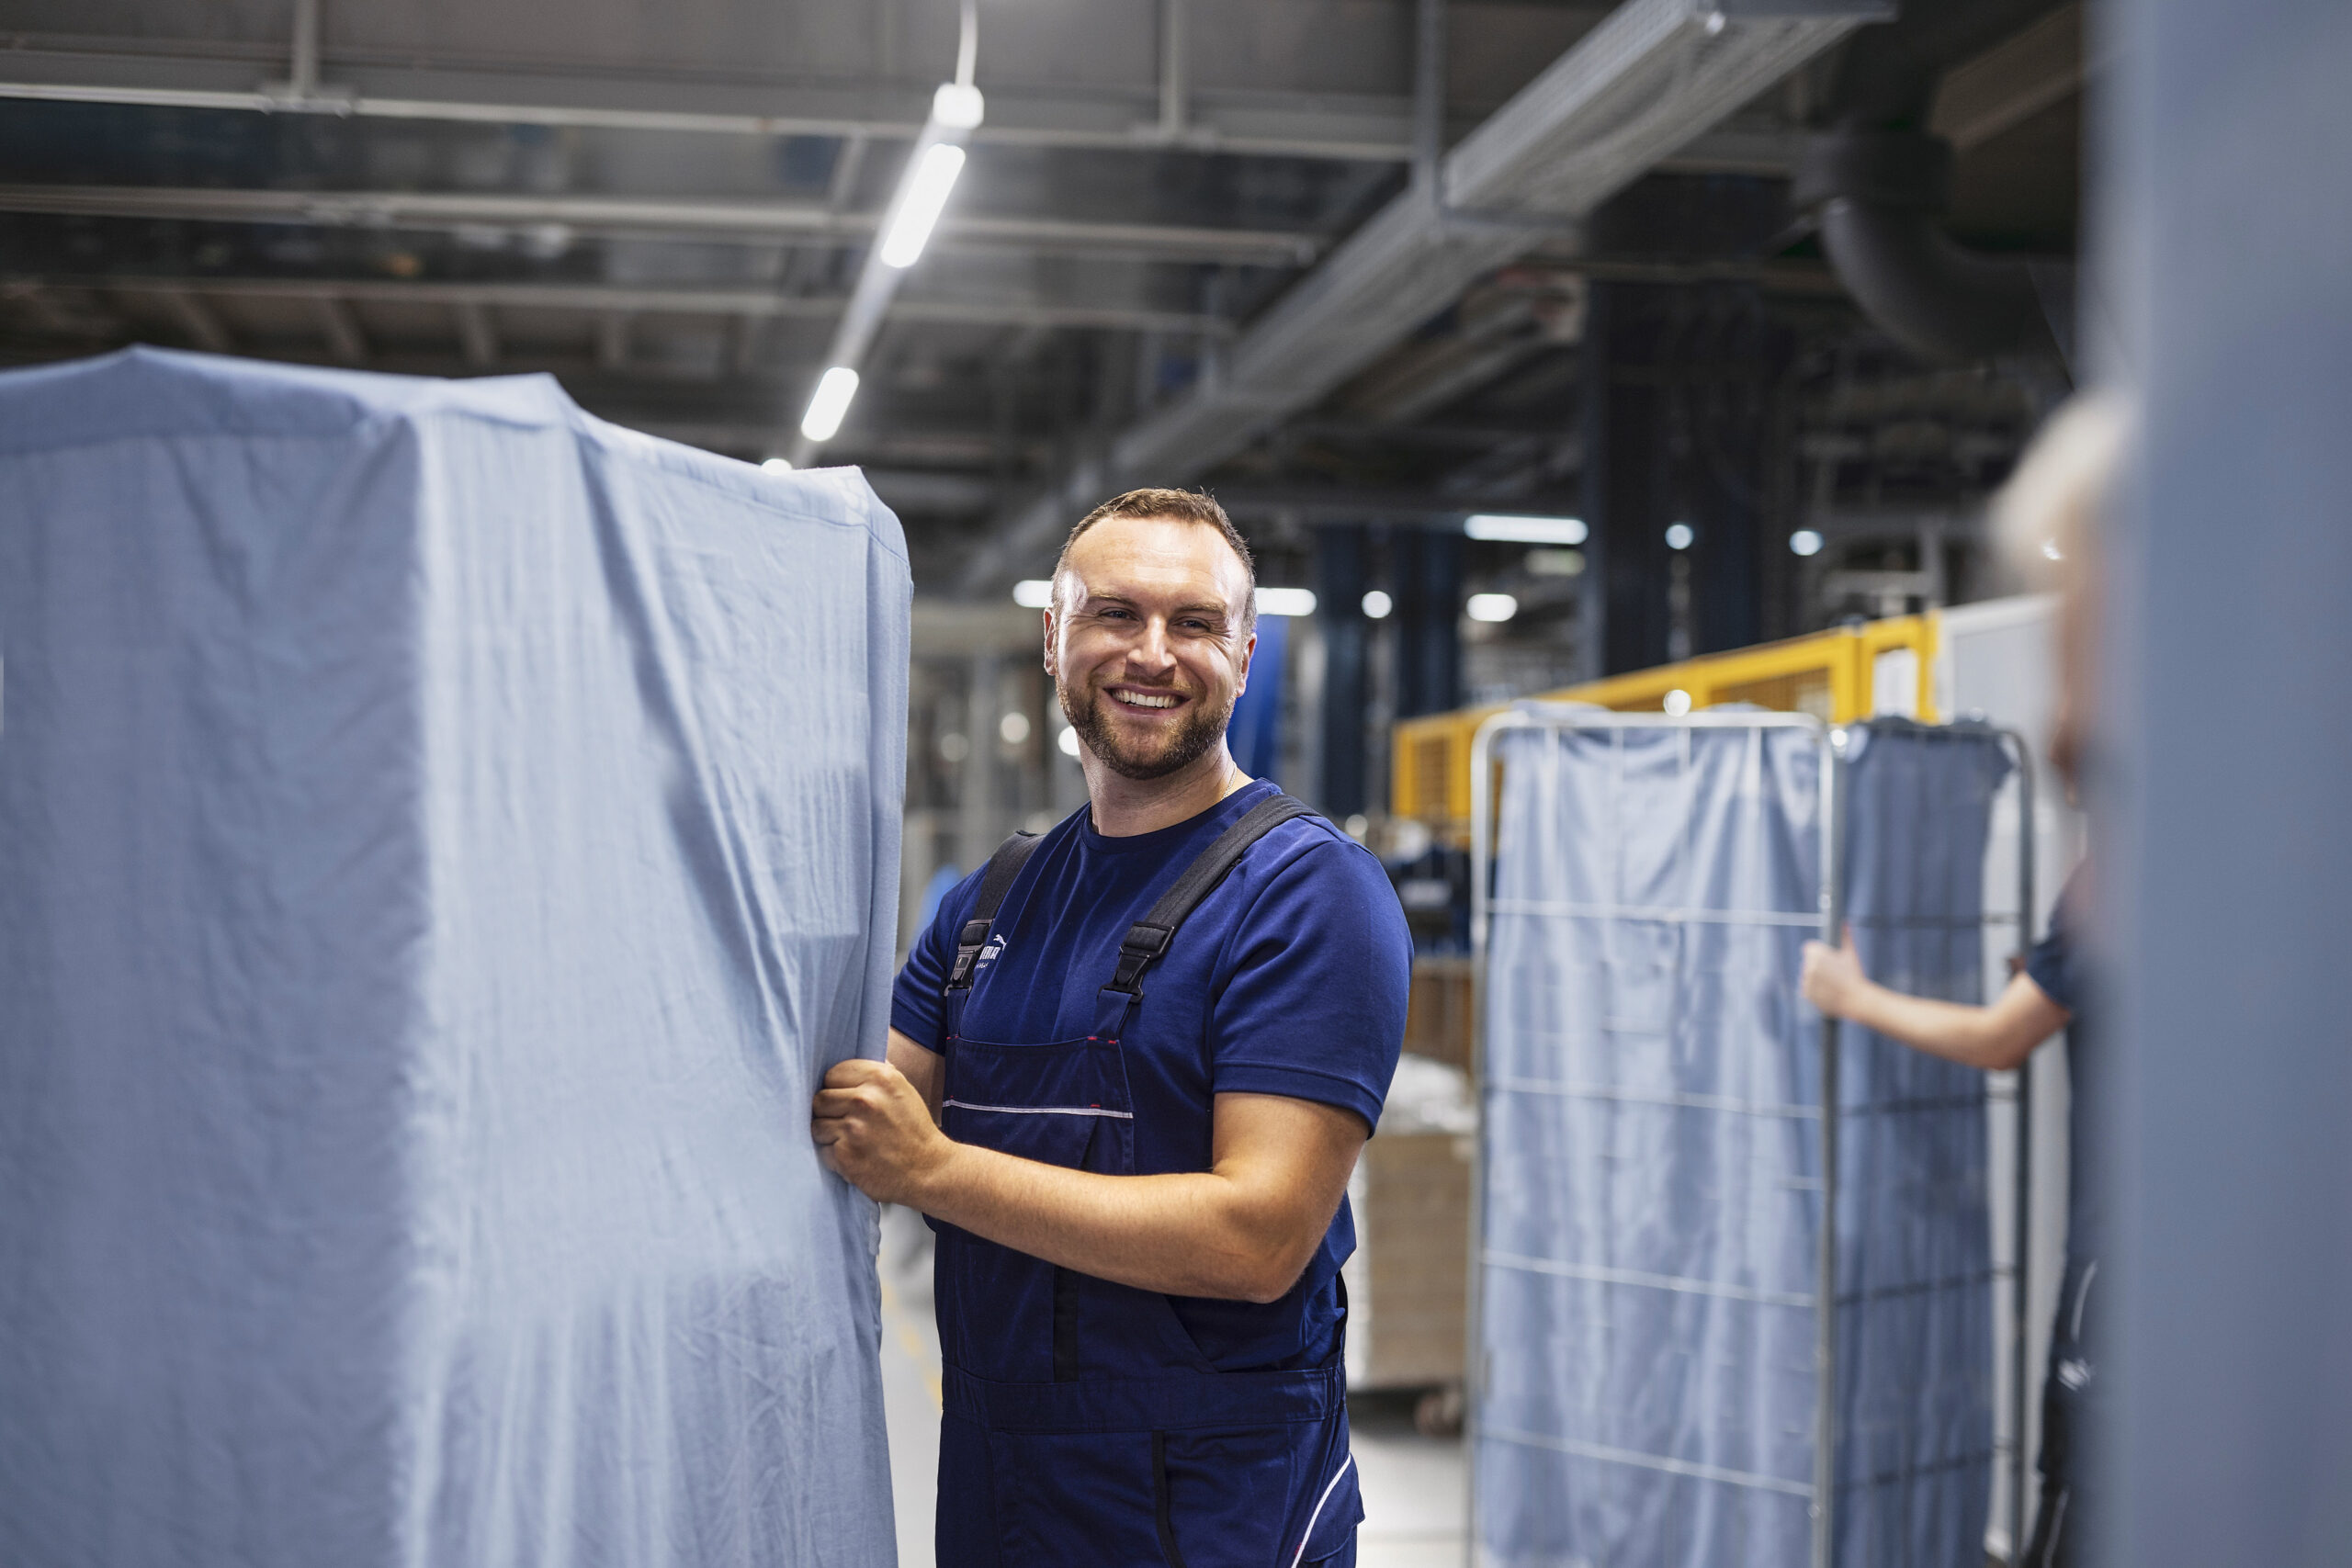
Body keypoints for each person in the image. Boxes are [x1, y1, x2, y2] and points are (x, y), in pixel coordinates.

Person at [813, 489, 1411, 1567]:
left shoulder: (1308, 893)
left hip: (1213, 1512)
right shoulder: (991, 900)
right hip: (1004, 1486)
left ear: (1242, 652)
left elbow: (1258, 1238)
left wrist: (934, 1173)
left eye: (1193, 624)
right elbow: (858, 1115)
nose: (1153, 653)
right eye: (1115, 615)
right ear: (1053, 638)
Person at [1801, 391, 2126, 1568]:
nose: (2061, 730)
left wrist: (1850, 994)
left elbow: (1999, 1039)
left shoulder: (2127, 877)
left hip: (2122, 1279)